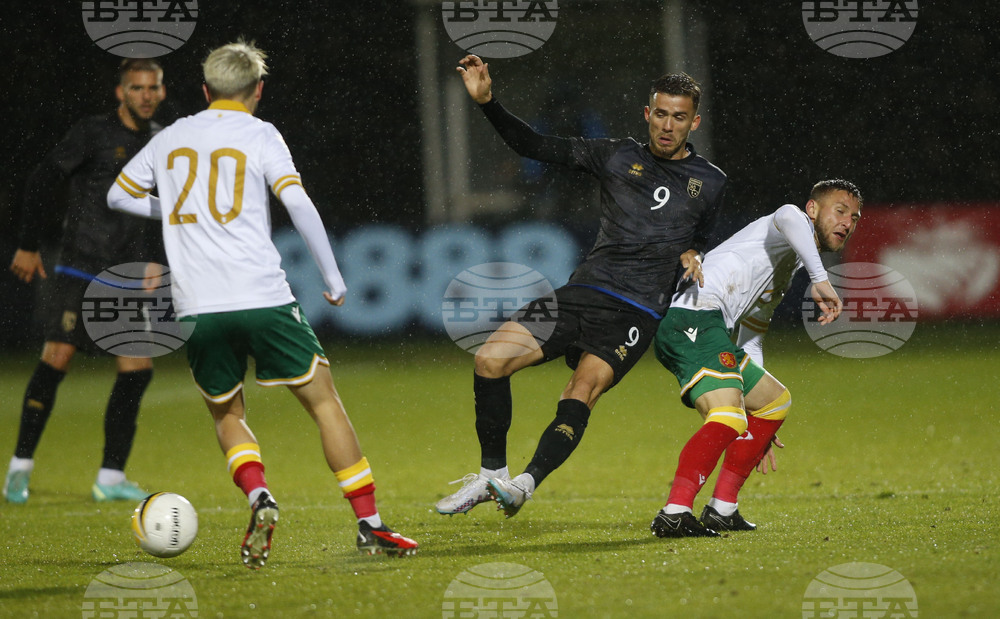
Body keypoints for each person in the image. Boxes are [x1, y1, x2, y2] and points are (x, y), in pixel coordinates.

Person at [107, 40, 417, 566]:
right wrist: (333, 276)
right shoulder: (260, 133)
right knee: (324, 404)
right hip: (262, 296)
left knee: (228, 413)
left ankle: (259, 495)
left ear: (205, 90)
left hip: (198, 305)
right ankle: (370, 524)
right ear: (257, 92)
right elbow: (295, 199)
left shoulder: (173, 136)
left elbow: (118, 194)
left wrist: (179, 208)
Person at [436, 55, 726, 518]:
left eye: (679, 116)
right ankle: (492, 474)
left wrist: (695, 251)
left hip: (637, 311)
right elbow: (533, 145)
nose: (668, 126)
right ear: (646, 113)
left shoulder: (711, 182)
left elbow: (702, 237)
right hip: (584, 292)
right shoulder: (615, 155)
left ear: (695, 121)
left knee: (580, 390)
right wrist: (489, 103)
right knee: (490, 360)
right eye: (661, 114)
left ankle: (525, 485)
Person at [649, 179, 862, 538]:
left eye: (854, 217)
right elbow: (788, 216)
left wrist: (756, 421)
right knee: (728, 417)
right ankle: (674, 512)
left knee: (773, 403)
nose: (847, 222)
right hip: (693, 318)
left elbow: (751, 331)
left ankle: (722, 508)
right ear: (813, 209)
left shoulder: (787, 264)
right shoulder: (789, 220)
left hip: (712, 326)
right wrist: (820, 278)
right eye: (839, 211)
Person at [4, 59, 167, 505]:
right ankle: (19, 467)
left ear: (163, 91)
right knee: (56, 358)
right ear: (121, 92)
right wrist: (28, 244)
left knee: (137, 370)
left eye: (152, 87)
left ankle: (110, 477)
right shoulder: (93, 133)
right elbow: (43, 179)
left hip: (127, 274)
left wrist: (156, 259)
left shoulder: (162, 141)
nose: (145, 96)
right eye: (137, 88)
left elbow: (167, 207)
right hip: (81, 265)